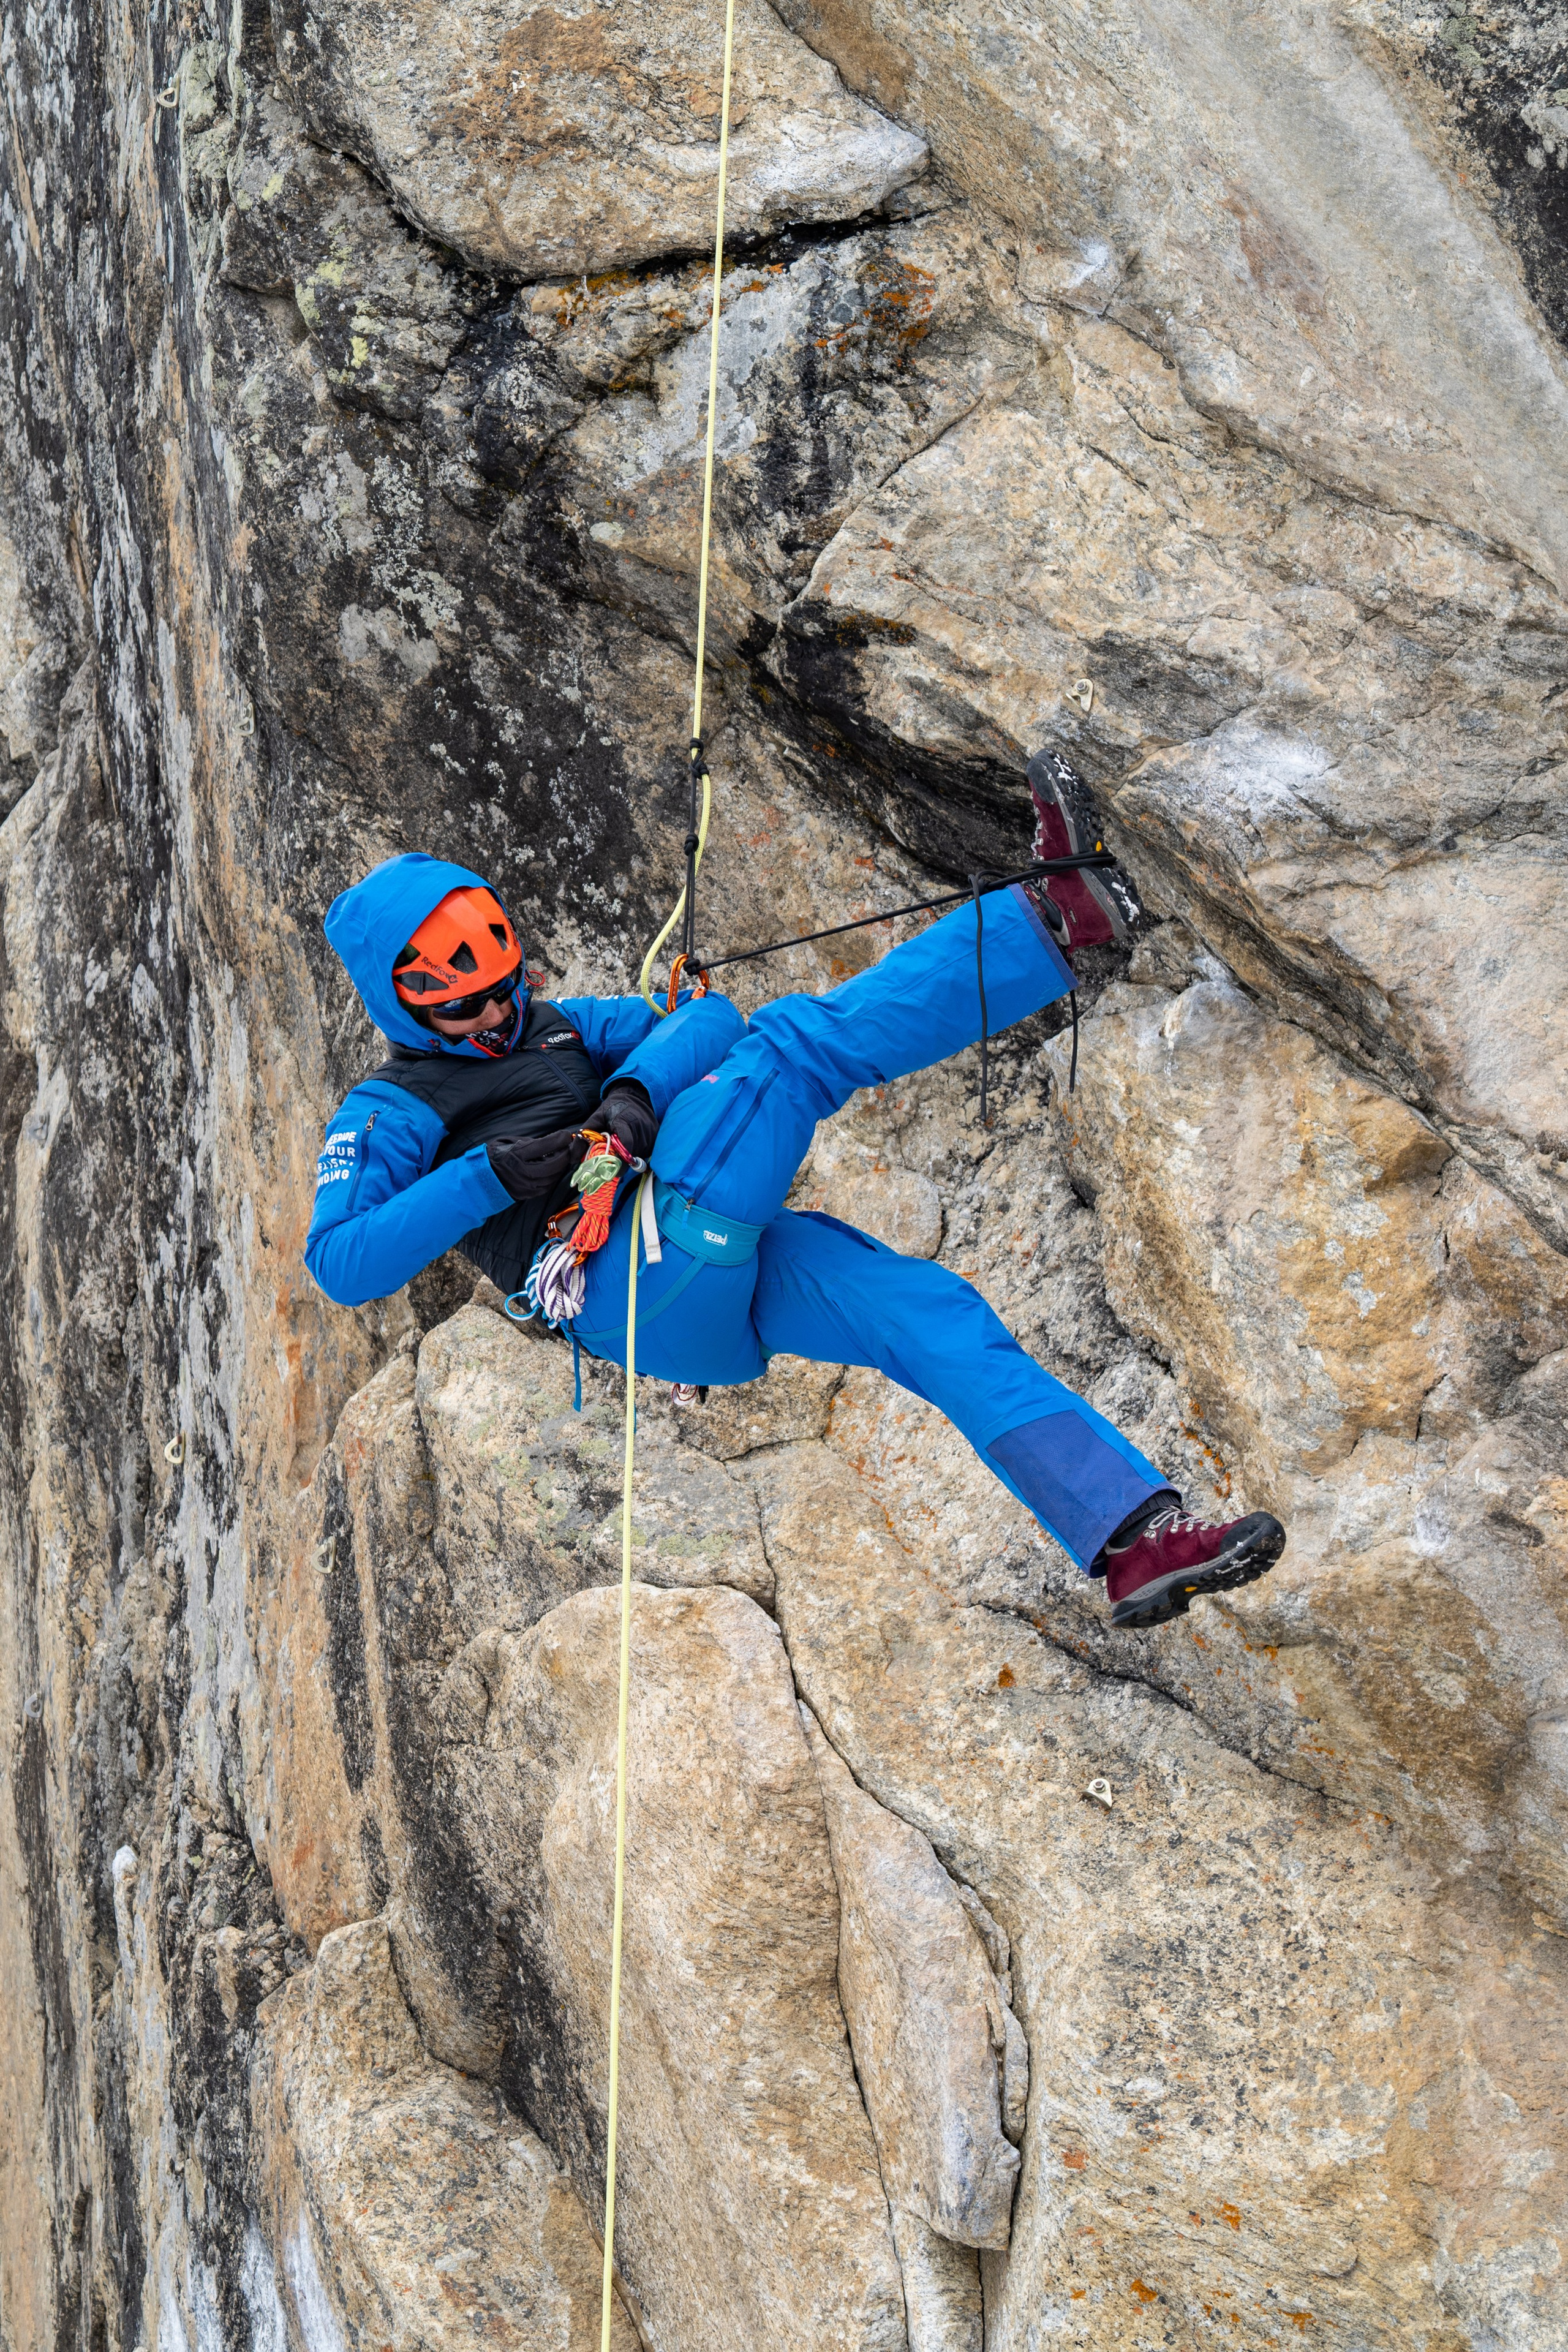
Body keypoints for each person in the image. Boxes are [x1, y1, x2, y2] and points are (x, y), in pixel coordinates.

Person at [305, 754, 1286, 1628]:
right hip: (621, 1281)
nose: (494, 1011)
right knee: (790, 1049)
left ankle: (1134, 1539)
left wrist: (635, 1097)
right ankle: (1058, 917)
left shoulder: (552, 1027)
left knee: (929, 1313)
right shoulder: (393, 1108)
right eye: (464, 1003)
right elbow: (342, 1264)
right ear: (407, 1007)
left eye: (503, 983)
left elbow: (702, 1014)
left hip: (692, 1287)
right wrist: (487, 1176)